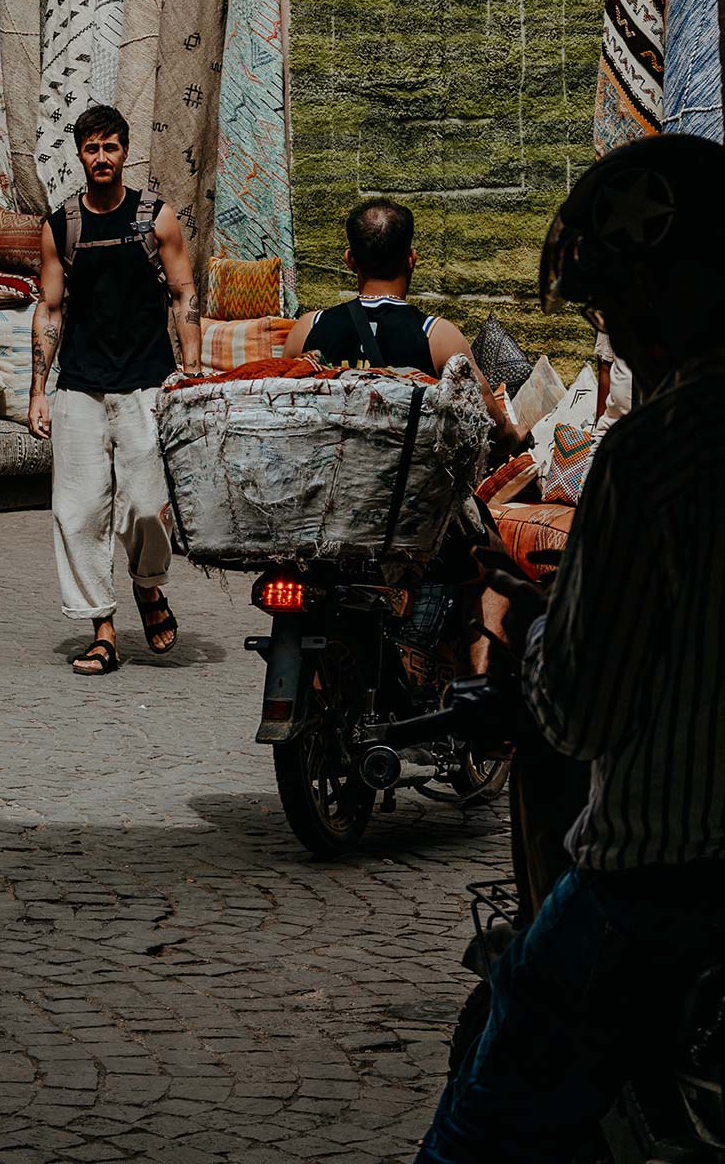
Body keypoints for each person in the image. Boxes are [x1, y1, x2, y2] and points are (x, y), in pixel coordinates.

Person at [415, 132, 725, 1164]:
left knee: (482, 1127)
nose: (619, 332)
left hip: (663, 877)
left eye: (618, 303)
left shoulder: (654, 456)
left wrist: (526, 628)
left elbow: (582, 710)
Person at [28, 105, 201, 677]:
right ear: (78, 155)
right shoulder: (61, 227)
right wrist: (38, 391)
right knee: (76, 512)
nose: (101, 158)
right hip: (79, 387)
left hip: (147, 384)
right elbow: (50, 309)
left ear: (126, 152)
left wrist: (192, 375)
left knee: (148, 508)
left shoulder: (156, 219)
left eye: (111, 148)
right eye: (91, 148)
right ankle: (101, 626)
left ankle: (148, 589)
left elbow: (184, 295)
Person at [284, 197, 530, 450]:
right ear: (412, 259)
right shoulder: (438, 337)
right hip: (405, 487)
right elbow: (489, 420)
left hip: (326, 482)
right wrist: (515, 436)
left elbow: (281, 411)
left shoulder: (307, 328)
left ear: (349, 260)